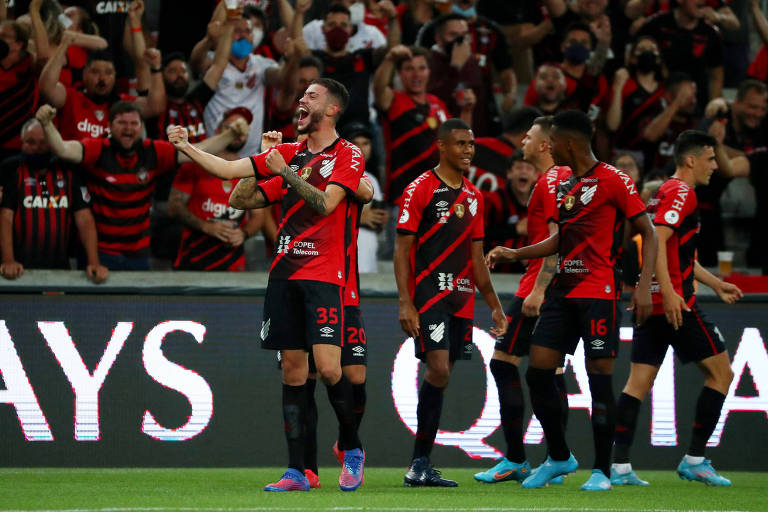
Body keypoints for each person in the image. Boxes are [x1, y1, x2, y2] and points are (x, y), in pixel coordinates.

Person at [167, 78, 367, 493]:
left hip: (324, 275)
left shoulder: (347, 154)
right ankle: (297, 471)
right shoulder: (287, 153)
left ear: (332, 109)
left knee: (330, 369)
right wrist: (186, 147)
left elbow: (327, 203)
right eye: (302, 94)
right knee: (293, 373)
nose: (301, 100)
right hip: (284, 274)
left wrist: (285, 174)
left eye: (311, 96)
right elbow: (231, 181)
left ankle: (351, 447)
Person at [486, 110, 657, 491]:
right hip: (563, 293)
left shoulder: (614, 179)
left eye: (555, 143)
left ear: (568, 144)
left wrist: (643, 286)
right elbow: (561, 240)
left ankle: (602, 470)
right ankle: (560, 455)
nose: (551, 150)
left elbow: (648, 231)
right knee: (537, 371)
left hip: (599, 292)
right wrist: (515, 254)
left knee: (599, 381)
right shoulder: (567, 184)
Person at [611, 130, 742, 487]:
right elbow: (659, 239)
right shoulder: (682, 193)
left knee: (637, 383)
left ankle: (619, 466)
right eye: (711, 159)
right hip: (675, 304)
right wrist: (669, 294)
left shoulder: (663, 192)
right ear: (691, 160)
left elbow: (675, 251)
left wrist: (715, 282)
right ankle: (695, 460)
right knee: (722, 374)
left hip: (654, 301)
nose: (715, 166)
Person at [395, 118, 507, 487]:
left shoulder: (475, 197)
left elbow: (477, 258)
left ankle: (421, 464)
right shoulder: (420, 189)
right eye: (460, 144)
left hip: (461, 299)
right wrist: (405, 302)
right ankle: (418, 462)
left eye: (471, 145)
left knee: (444, 375)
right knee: (439, 369)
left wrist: (493, 303)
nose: (468, 151)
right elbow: (402, 250)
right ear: (441, 146)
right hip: (429, 295)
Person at [474, 115, 571, 484]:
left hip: (540, 287)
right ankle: (556, 461)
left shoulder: (549, 182)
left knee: (504, 364)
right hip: (559, 288)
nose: (524, 141)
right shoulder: (562, 178)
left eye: (530, 137)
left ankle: (519, 458)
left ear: (545, 144)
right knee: (552, 372)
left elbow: (557, 238)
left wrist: (539, 289)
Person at [35, 101, 247, 270]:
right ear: (109, 127)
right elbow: (62, 149)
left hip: (139, 253)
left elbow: (198, 150)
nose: (128, 128)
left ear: (142, 127)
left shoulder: (153, 151)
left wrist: (229, 135)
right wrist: (47, 125)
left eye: (134, 123)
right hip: (100, 253)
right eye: (122, 123)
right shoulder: (97, 149)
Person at [0, 118, 107, 283]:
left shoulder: (70, 170)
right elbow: (5, 217)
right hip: (18, 270)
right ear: (21, 143)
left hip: (60, 269)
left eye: (44, 142)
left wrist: (94, 262)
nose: (37, 148)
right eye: (31, 142)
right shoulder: (11, 170)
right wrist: (8, 260)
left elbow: (84, 219)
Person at [169, 108, 264, 271]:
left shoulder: (250, 169)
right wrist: (206, 226)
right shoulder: (193, 164)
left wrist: (243, 234)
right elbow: (174, 207)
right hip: (194, 260)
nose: (237, 134)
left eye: (243, 130)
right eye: (231, 128)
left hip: (233, 265)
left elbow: (258, 217)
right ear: (219, 131)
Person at [373, 44, 451, 204]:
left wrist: (467, 111)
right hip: (402, 198)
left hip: (438, 197)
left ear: (429, 72)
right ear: (400, 73)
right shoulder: (394, 101)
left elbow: (458, 140)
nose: (416, 74)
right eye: (409, 69)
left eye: (422, 68)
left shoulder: (438, 104)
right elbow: (379, 88)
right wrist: (389, 60)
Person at [481, 151, 537, 272]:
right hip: (496, 272)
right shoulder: (494, 201)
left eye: (529, 168)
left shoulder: (541, 202)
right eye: (519, 167)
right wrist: (515, 229)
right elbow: (480, 236)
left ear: (535, 175)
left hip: (531, 271)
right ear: (509, 173)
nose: (524, 171)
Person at [0, 20, 39, 162]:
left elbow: (44, 56)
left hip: (16, 145)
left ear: (19, 44)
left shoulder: (29, 64)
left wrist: (35, 14)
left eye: (3, 36)